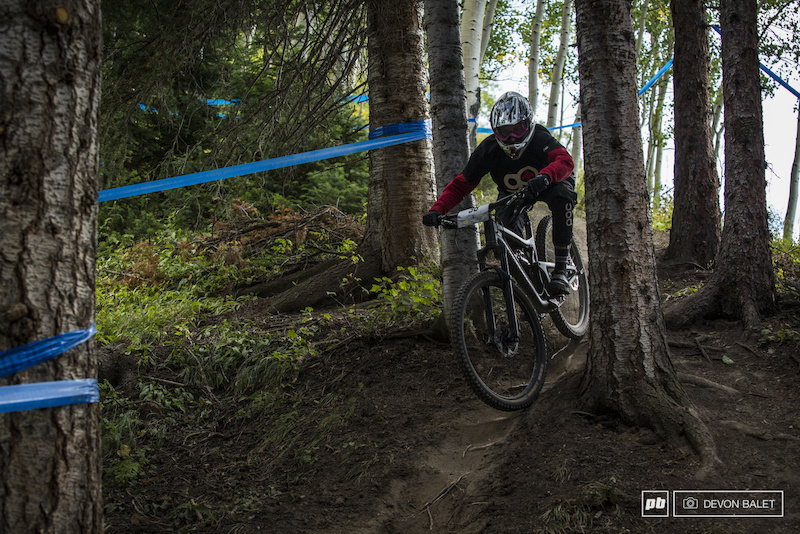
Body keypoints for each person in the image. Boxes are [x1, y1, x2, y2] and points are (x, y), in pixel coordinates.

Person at [422, 91, 577, 296]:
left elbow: (565, 161)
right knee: (505, 236)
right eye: (505, 132)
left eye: (517, 129)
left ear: (528, 125)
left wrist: (546, 176)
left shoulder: (540, 138)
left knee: (561, 198)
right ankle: (531, 284)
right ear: (496, 131)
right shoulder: (489, 149)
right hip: (513, 193)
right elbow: (462, 184)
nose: (511, 137)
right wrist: (437, 209)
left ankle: (561, 268)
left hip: (550, 182)